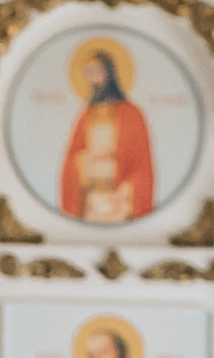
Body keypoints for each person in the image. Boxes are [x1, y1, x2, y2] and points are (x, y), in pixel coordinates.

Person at [57, 37, 153, 224]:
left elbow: (142, 166)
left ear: (109, 72)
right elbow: (70, 161)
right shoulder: (86, 115)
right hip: (90, 203)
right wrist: (88, 157)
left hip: (121, 199)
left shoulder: (132, 114)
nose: (92, 78)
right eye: (88, 72)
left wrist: (126, 190)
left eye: (96, 71)